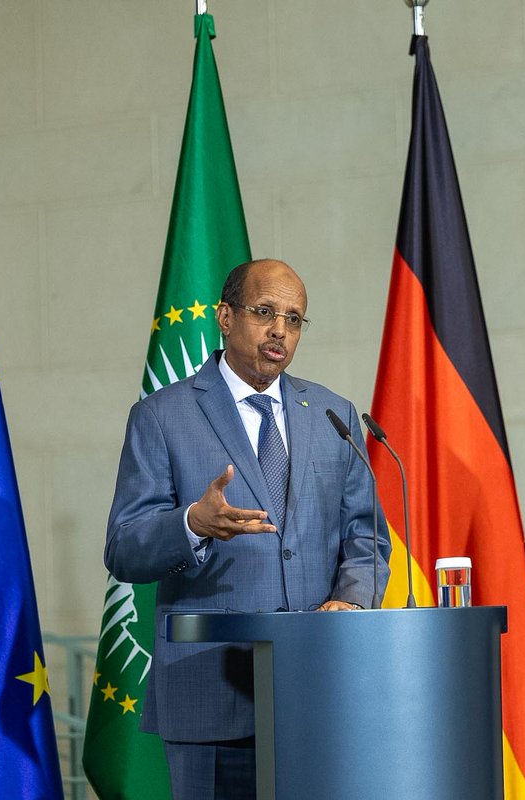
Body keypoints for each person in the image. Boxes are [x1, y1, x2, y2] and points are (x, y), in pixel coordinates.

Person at [105, 258, 390, 800]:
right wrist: (192, 524)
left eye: (294, 319)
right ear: (225, 316)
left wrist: (351, 602)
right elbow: (123, 547)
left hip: (316, 688)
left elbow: (366, 536)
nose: (280, 330)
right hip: (210, 691)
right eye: (264, 312)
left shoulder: (335, 415)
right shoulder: (161, 416)